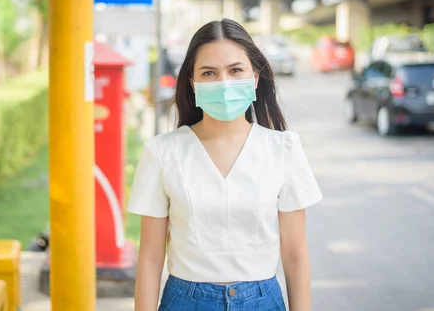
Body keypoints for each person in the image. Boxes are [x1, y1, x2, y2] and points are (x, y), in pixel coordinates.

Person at [127, 19, 323, 311]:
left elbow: (295, 253)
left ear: (254, 78)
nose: (224, 83)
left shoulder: (284, 149)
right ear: (193, 84)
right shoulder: (162, 153)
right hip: (185, 301)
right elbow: (150, 258)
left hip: (262, 302)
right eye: (209, 73)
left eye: (235, 70)